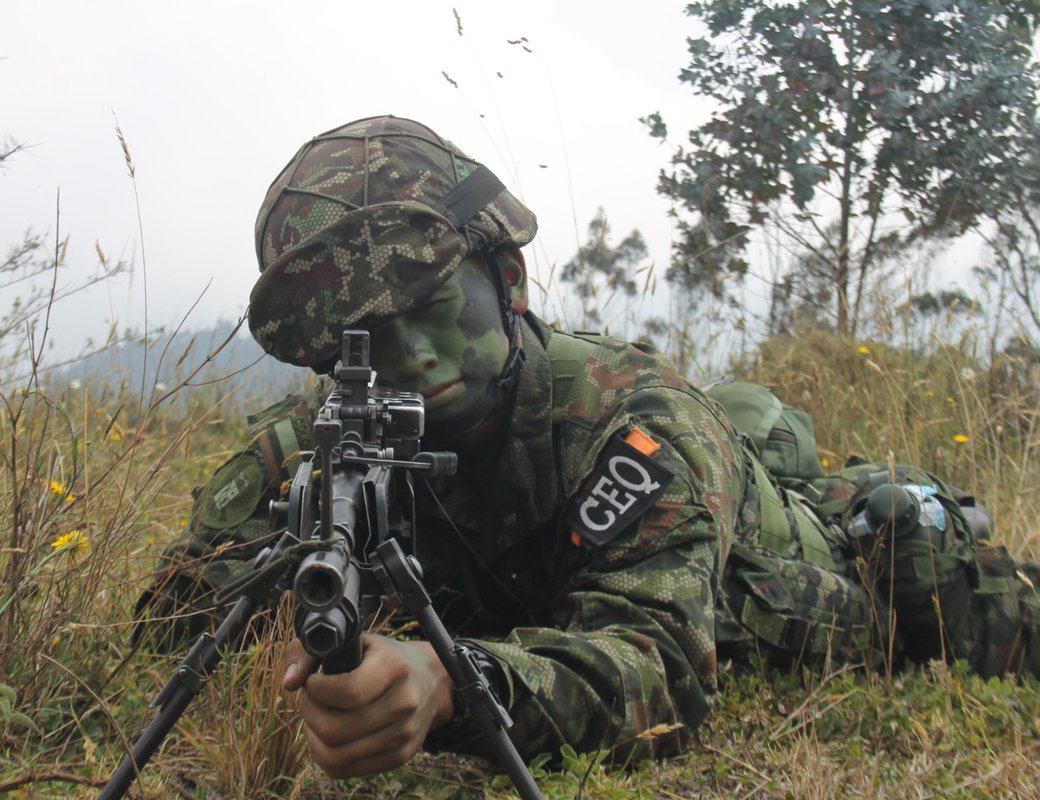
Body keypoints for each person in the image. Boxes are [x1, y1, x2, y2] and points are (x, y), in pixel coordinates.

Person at [133, 115, 1040, 779]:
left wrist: (451, 684)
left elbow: (660, 667)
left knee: (922, 554)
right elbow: (171, 608)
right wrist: (294, 573)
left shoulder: (630, 422)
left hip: (832, 581)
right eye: (363, 341)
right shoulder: (324, 443)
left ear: (510, 278)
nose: (408, 358)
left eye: (433, 308)